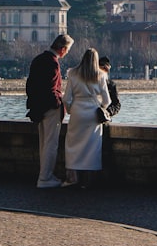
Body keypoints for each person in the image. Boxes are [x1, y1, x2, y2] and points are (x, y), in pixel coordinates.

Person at [26, 33, 74, 188]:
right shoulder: (53, 63)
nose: (66, 53)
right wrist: (60, 104)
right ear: (62, 49)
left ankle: (44, 176)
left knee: (43, 144)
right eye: (67, 50)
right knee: (51, 144)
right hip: (50, 109)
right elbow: (52, 89)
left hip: (38, 108)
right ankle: (45, 178)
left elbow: (30, 86)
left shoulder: (38, 59)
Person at [62, 48, 111, 188]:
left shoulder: (72, 73)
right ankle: (88, 181)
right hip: (93, 114)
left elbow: (66, 98)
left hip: (77, 111)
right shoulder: (101, 75)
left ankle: (72, 178)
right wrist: (100, 108)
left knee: (72, 145)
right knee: (92, 147)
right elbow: (107, 101)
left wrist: (71, 110)